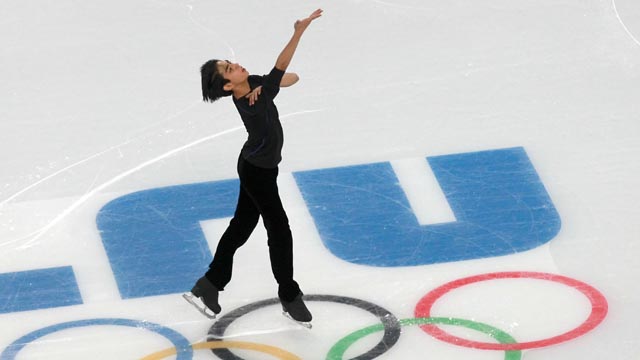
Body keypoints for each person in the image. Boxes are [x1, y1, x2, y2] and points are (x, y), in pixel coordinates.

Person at [184, 9, 323, 325]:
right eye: (230, 69)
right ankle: (289, 294)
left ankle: (209, 284)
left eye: (231, 63)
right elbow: (284, 69)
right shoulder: (251, 100)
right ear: (228, 87)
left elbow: (290, 78)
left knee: (243, 225)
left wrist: (267, 83)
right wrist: (299, 32)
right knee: (279, 229)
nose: (237, 65)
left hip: (256, 166)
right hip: (257, 172)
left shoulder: (255, 88)